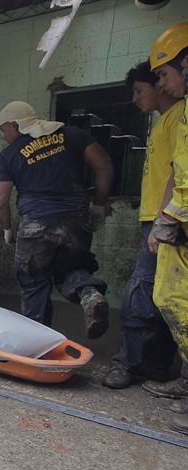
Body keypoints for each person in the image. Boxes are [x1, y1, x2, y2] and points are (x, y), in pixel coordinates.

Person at [0, 101, 114, 338]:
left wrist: (7, 228)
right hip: (76, 221)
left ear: (15, 125)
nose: (4, 136)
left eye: (3, 130)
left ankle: (37, 344)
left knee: (35, 285)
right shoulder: (73, 135)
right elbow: (105, 167)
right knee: (72, 268)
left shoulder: (8, 155)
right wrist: (99, 204)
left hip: (36, 226)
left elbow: (0, 202)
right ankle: (90, 294)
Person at [101, 62, 181, 389]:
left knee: (140, 292)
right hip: (160, 218)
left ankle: (127, 365)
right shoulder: (164, 121)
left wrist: (163, 219)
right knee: (163, 297)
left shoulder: (179, 117)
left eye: (140, 90)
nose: (135, 99)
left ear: (160, 85)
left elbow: (180, 172)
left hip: (164, 220)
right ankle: (157, 367)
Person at [143, 22, 188, 435]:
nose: (163, 83)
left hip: (180, 220)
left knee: (168, 297)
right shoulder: (185, 113)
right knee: (169, 298)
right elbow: (179, 172)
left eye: (163, 73)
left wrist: (166, 221)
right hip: (177, 218)